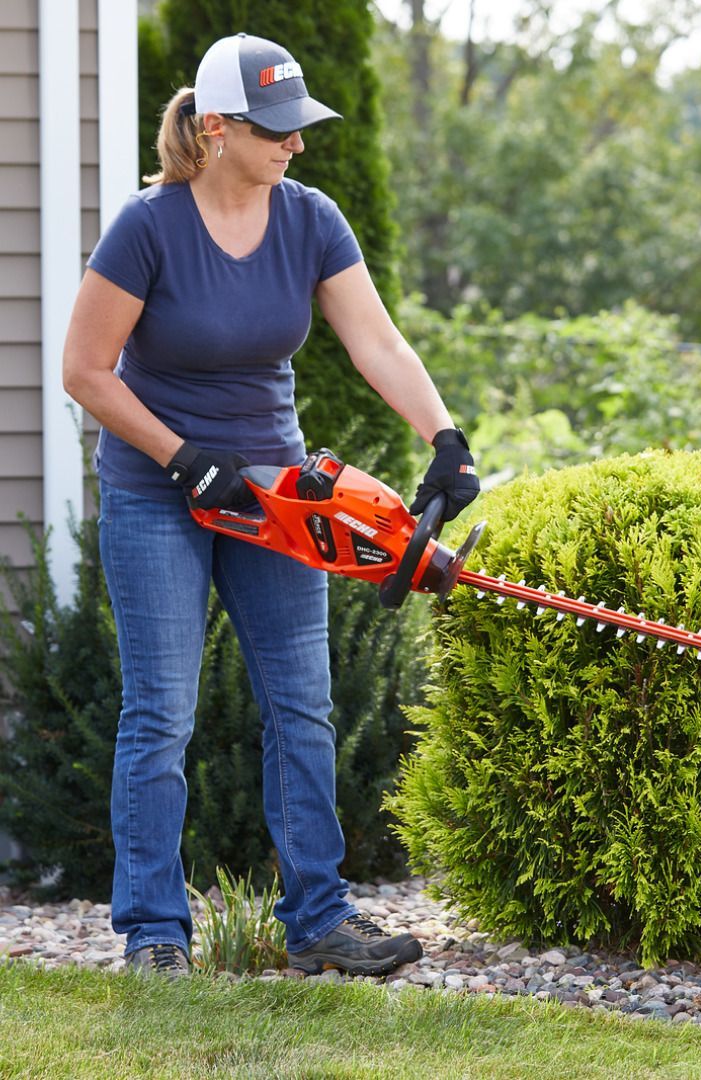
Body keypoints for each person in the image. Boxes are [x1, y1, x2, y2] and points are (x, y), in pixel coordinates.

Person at [61, 32, 480, 978]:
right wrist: (181, 457)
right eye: (276, 129)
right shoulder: (148, 227)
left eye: (301, 128)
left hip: (276, 499)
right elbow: (84, 371)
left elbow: (377, 343)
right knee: (162, 714)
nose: (296, 145)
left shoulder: (310, 218)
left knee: (303, 705)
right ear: (215, 129)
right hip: (158, 491)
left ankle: (319, 921)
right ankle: (154, 936)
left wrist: (444, 439)